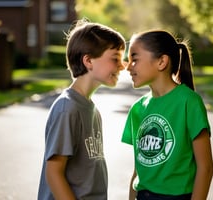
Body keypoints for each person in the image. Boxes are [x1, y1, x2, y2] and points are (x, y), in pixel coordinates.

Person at [37, 19, 126, 200]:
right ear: (88, 61)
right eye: (115, 58)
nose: (122, 65)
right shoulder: (67, 108)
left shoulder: (91, 109)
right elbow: (54, 173)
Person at [121, 30, 213, 200]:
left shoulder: (189, 102)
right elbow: (139, 168)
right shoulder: (137, 108)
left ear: (161, 62)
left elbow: (206, 167)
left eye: (135, 59)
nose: (128, 66)